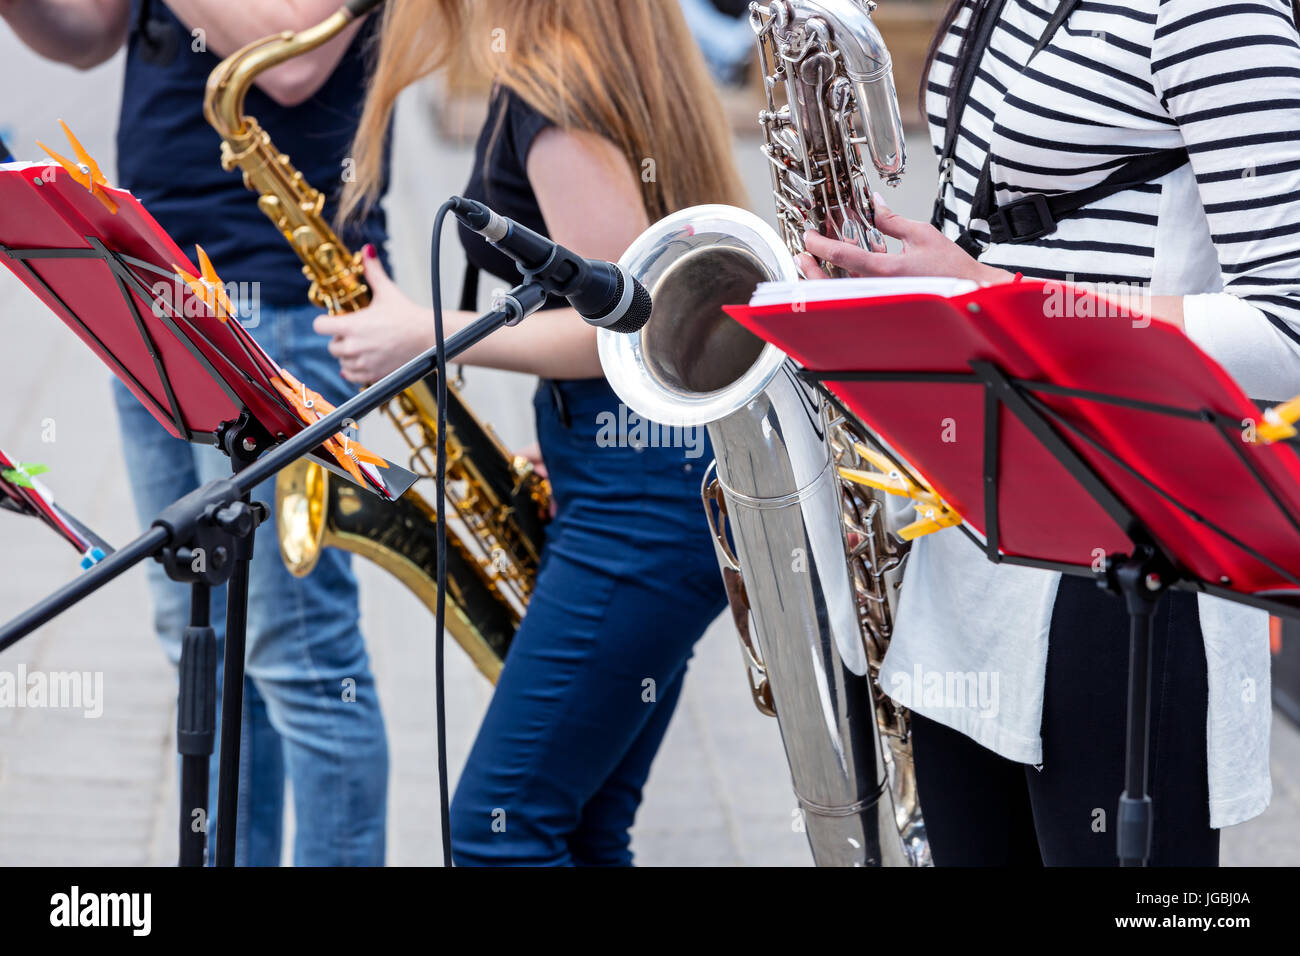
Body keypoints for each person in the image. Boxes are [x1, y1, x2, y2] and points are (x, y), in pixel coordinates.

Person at [800, 0, 1300, 865]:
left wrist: (999, 301)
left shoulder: (1216, 12)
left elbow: (1287, 332)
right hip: (971, 529)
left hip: (1124, 556)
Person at [319, 0, 743, 866]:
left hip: (639, 508)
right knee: (582, 826)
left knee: (496, 832)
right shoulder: (612, 63)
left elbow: (625, 325)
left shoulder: (555, 93)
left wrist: (421, 332)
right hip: (645, 482)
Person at [0, 0, 391, 865]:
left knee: (302, 663)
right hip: (149, 277)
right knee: (203, 642)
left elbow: (292, 64)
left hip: (284, 299)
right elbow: (89, 35)